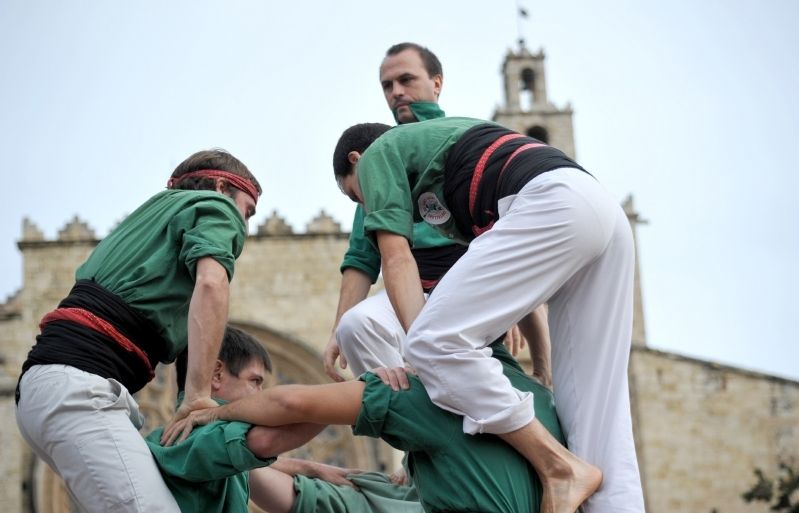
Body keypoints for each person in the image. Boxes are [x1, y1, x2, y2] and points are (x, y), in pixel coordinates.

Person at [330, 119, 644, 513]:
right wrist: (544, 369)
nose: (365, 206)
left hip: (554, 201)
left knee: (430, 341)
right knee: (596, 405)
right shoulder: (443, 171)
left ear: (357, 161)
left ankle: (558, 466)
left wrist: (420, 353)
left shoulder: (378, 155)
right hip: (598, 209)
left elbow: (395, 258)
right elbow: (517, 280)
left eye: (355, 194)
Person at [15, 149, 261, 513]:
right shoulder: (215, 205)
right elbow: (211, 286)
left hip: (47, 393)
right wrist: (195, 397)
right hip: (78, 389)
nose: (244, 226)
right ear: (223, 187)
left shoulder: (144, 227)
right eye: (248, 210)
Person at [324, 42, 549, 385]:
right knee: (359, 329)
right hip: (416, 293)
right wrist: (338, 329)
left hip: (478, 283)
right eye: (387, 85)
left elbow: (507, 233)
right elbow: (362, 258)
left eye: (406, 79)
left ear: (437, 83)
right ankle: (420, 420)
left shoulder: (465, 141)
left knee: (497, 380)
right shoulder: (378, 160)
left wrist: (514, 305)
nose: (396, 92)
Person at [164, 340, 565, 513]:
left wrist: (349, 398)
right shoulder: (540, 397)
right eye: (254, 383)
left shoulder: (420, 394)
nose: (259, 395)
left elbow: (285, 409)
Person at [148, 325, 422, 513]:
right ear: (216, 374)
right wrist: (357, 393)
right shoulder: (199, 432)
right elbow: (270, 438)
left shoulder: (191, 438)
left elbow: (246, 464)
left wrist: (311, 468)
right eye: (255, 381)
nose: (261, 394)